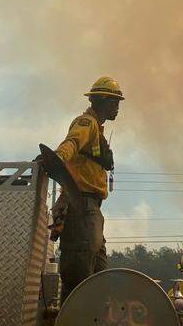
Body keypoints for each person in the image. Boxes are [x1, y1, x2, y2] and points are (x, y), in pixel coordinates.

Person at [54, 76, 122, 299]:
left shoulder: (97, 130)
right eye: (114, 101)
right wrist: (58, 158)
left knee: (99, 275)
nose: (117, 107)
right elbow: (73, 142)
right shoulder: (86, 123)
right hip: (81, 206)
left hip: (91, 210)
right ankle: (73, 313)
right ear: (102, 100)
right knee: (79, 275)